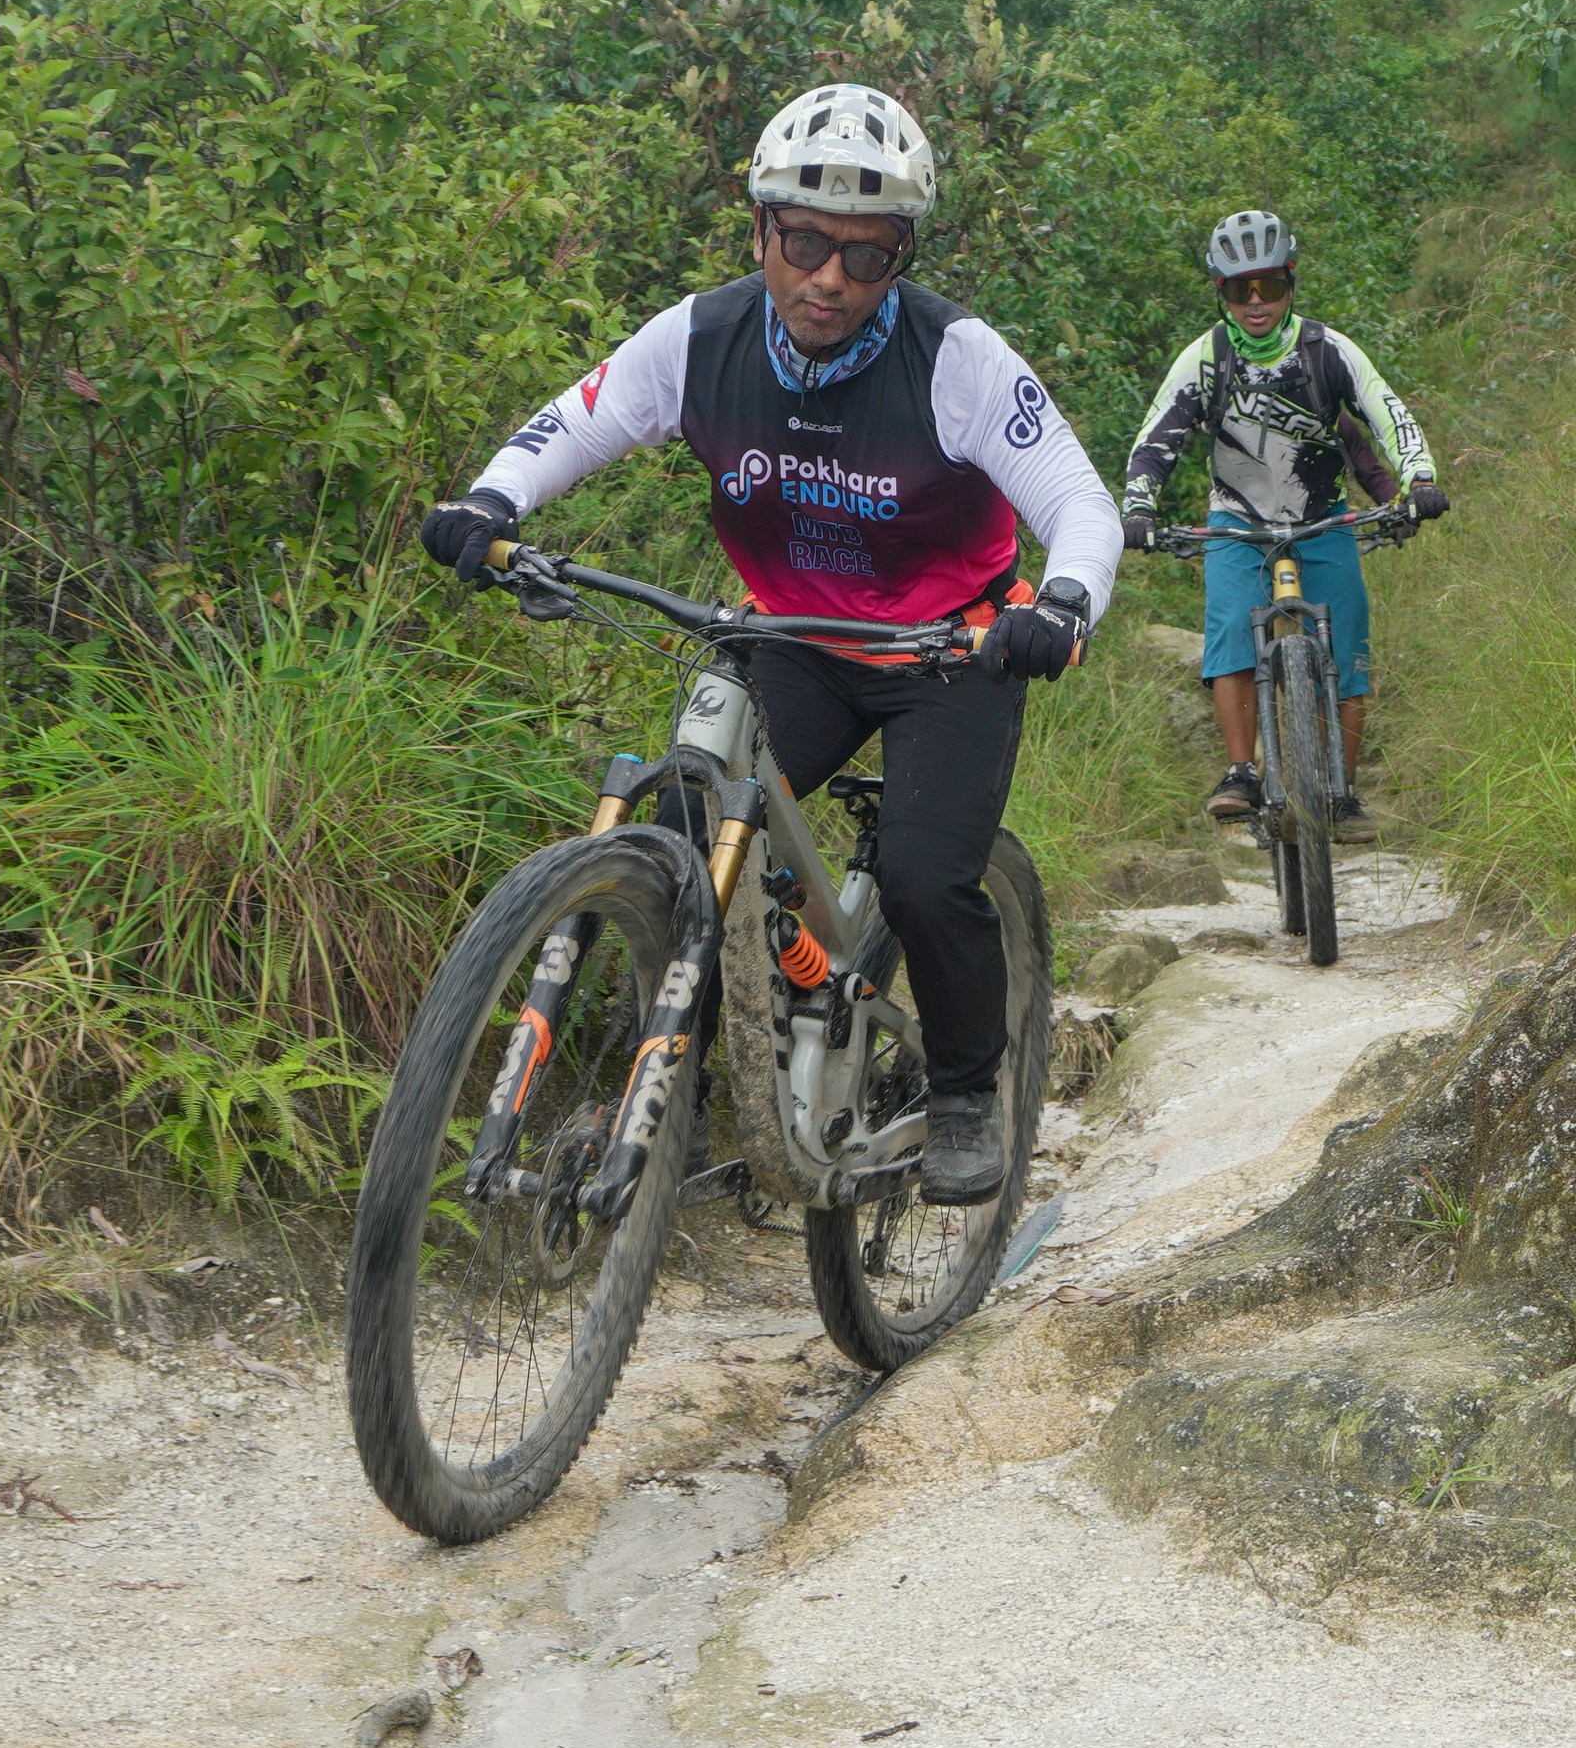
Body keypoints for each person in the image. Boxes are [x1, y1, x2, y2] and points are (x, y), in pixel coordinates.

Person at [417, 84, 1122, 1207]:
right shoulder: (701, 338)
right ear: (760, 232)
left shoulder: (960, 360)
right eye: (802, 242)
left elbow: (1081, 503)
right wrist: (490, 505)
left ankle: (960, 1092)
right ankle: (680, 1090)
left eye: (866, 254)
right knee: (688, 827)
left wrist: (1066, 603)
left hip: (952, 651)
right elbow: (575, 418)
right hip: (793, 638)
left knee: (926, 877)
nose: (828, 278)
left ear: (902, 256)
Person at [1119, 210, 1446, 837]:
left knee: (1347, 647)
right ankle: (1242, 771)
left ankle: (1342, 795)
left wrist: (1420, 480)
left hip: (1322, 519)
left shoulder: (1328, 350)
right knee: (1230, 634)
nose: (1257, 301)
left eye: (1269, 285)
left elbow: (1387, 412)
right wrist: (1139, 506)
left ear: (1292, 282)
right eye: (1240, 289)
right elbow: (1156, 438)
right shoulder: (1206, 357)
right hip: (1237, 522)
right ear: (1222, 293)